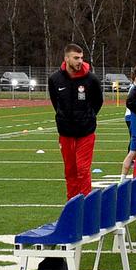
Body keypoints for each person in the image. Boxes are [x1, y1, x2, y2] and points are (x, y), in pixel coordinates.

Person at [48, 43, 103, 199]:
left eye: (81, 58)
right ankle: (72, 204)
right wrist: (63, 118)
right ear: (66, 58)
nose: (80, 61)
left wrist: (88, 117)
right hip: (65, 132)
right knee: (70, 171)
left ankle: (85, 205)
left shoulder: (91, 79)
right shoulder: (55, 79)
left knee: (83, 169)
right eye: (76, 58)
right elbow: (55, 102)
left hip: (86, 131)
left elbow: (98, 102)